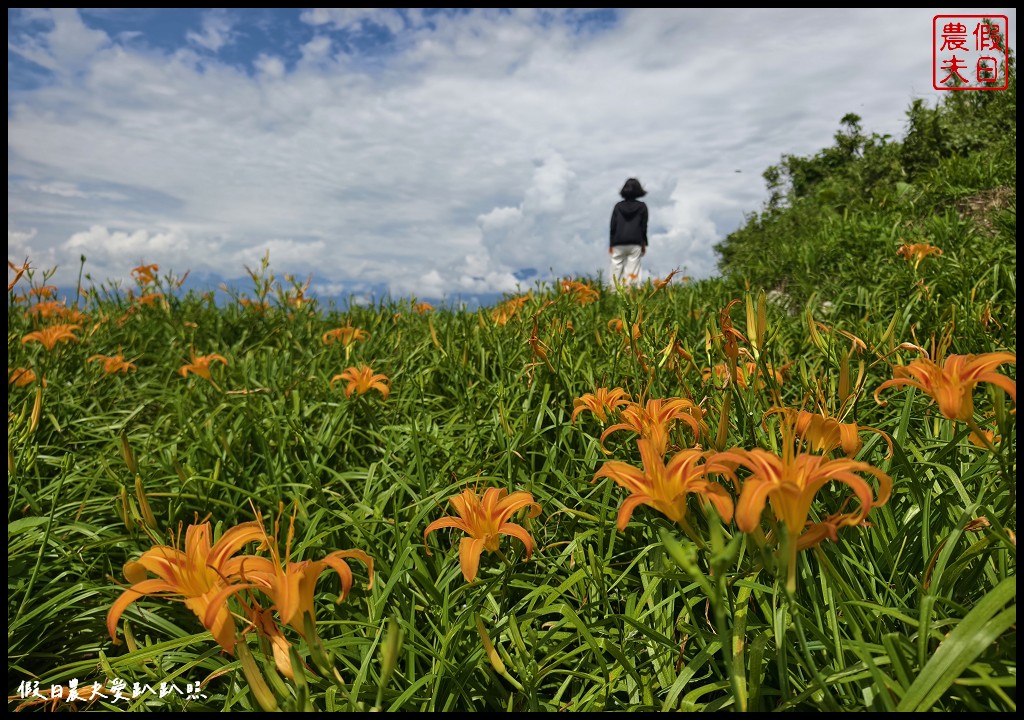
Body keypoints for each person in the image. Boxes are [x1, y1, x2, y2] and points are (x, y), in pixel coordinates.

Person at [608, 178, 648, 289]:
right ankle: (630, 292)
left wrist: (611, 244)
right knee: (633, 269)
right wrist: (644, 243)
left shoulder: (618, 206)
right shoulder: (642, 207)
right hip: (635, 242)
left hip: (618, 241)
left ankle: (613, 291)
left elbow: (613, 226)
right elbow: (644, 226)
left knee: (616, 267)